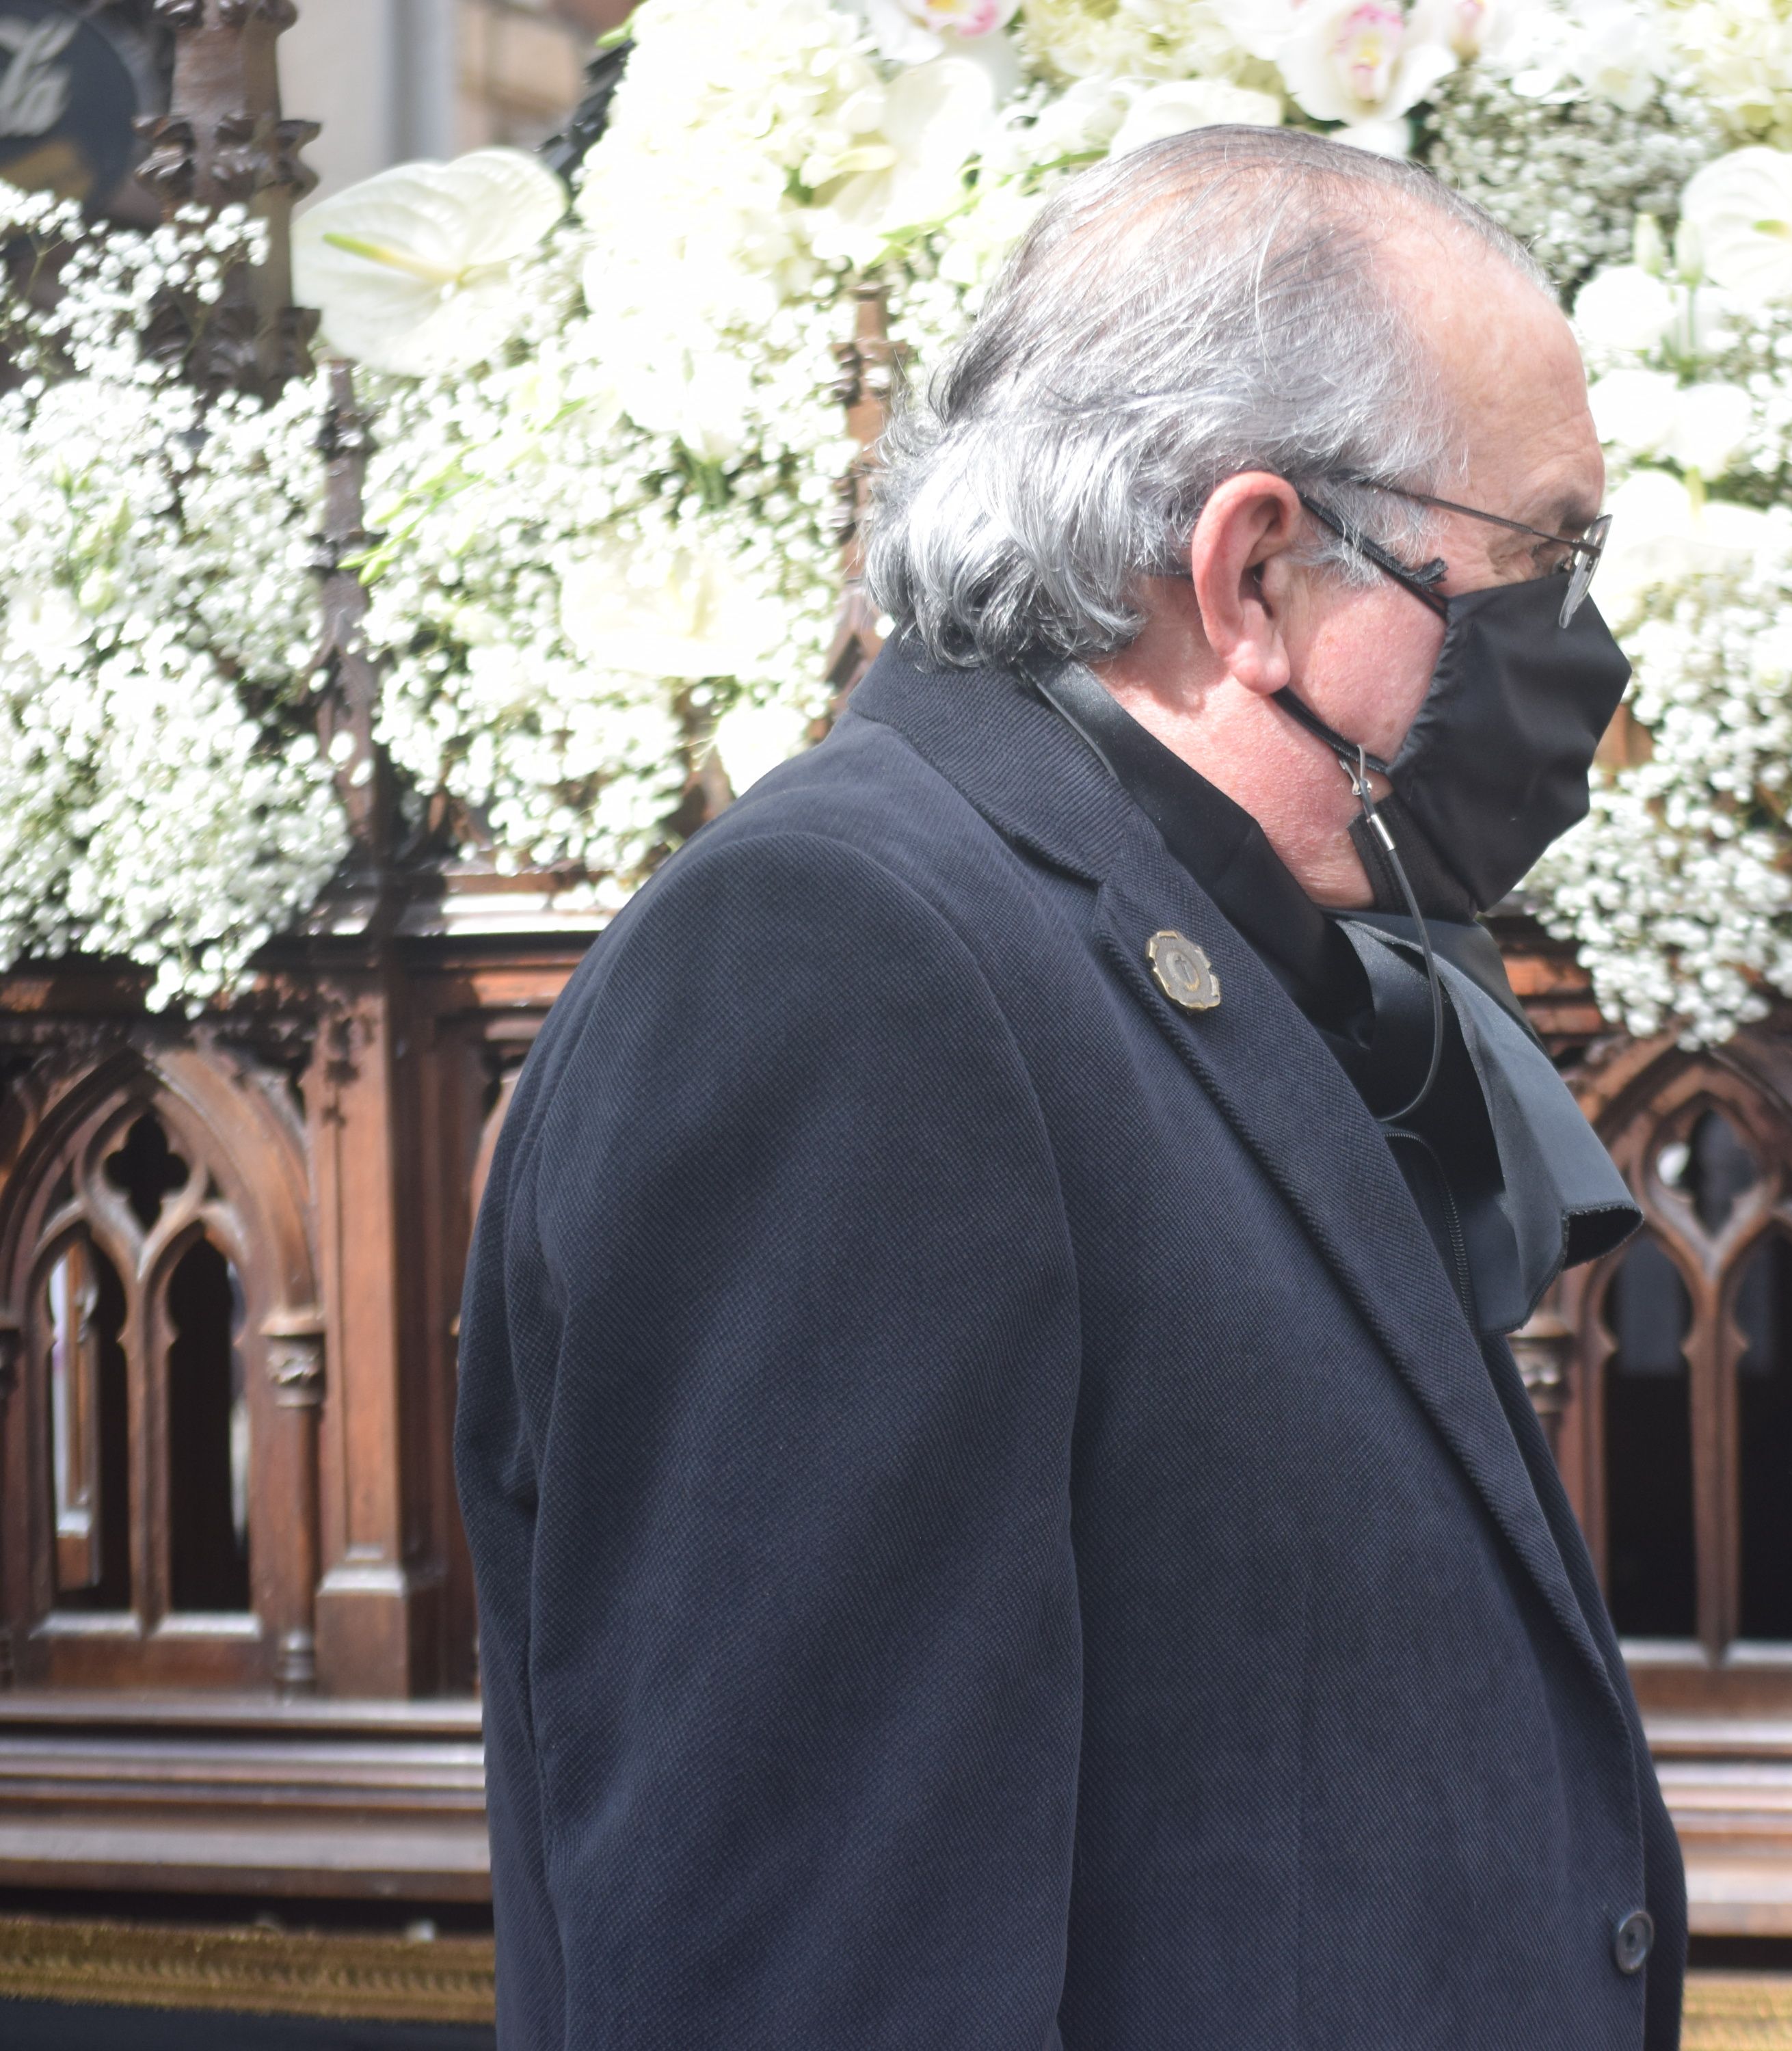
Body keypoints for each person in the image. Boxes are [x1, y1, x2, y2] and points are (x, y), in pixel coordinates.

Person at [453, 125, 1682, 2048]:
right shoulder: (841, 972)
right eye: (1541, 561)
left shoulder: (1187, 932)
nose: (1581, 648)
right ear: (1255, 566)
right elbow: (811, 1969)